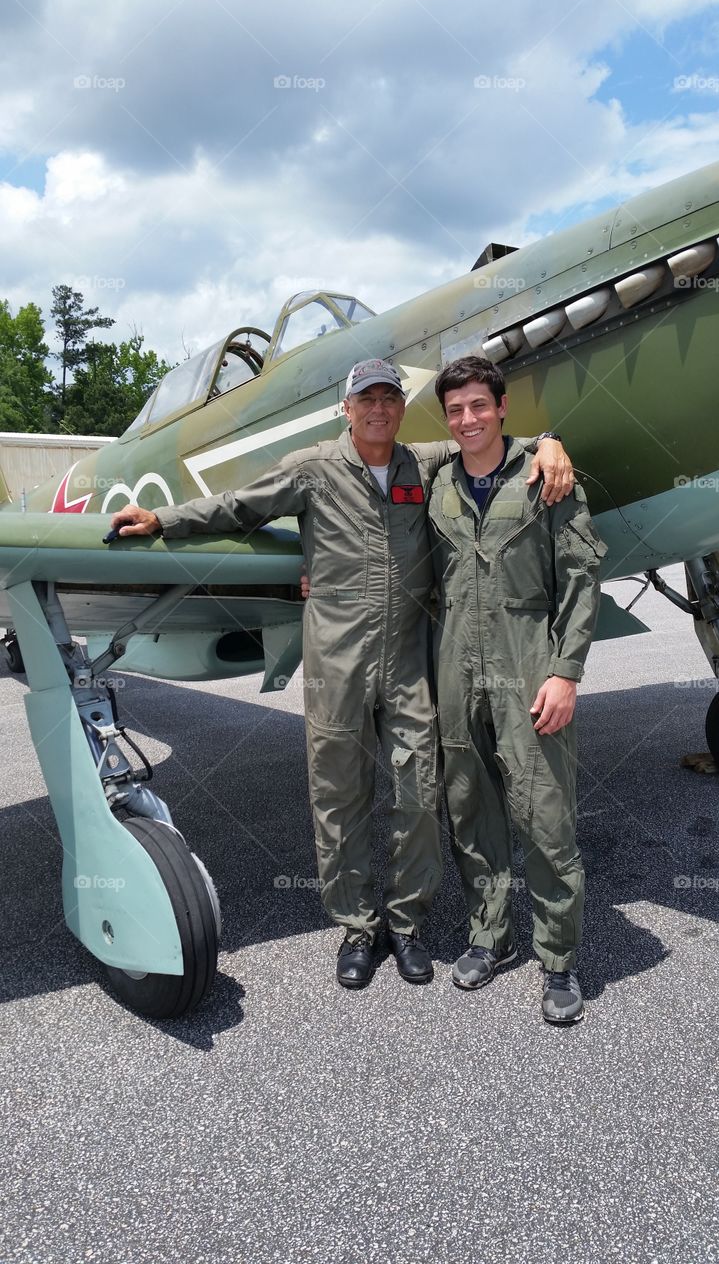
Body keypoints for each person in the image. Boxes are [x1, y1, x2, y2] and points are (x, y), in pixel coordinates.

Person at [110, 357, 573, 991]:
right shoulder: (314, 467)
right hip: (337, 663)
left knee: (420, 792)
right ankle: (359, 927)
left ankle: (407, 925)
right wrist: (166, 520)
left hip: (408, 662)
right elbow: (239, 507)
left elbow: (490, 443)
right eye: (366, 399)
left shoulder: (424, 462)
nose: (378, 408)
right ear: (346, 409)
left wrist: (549, 444)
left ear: (401, 409)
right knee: (339, 796)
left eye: (389, 397)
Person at [428, 355, 605, 1025]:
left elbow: (582, 577)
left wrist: (565, 672)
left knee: (545, 814)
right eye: (455, 410)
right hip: (455, 667)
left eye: (478, 405)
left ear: (501, 407)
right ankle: (489, 934)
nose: (467, 418)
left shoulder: (545, 476)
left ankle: (558, 961)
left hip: (527, 660)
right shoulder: (438, 482)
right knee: (470, 811)